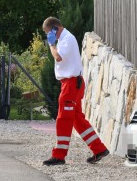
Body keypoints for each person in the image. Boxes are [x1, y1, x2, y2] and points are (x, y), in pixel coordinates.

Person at [42, 16, 109, 166]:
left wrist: (52, 45)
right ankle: (99, 149)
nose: (48, 36)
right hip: (73, 83)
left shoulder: (65, 39)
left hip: (71, 84)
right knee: (77, 119)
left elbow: (58, 57)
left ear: (55, 28)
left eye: (48, 33)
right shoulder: (65, 38)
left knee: (63, 118)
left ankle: (59, 156)